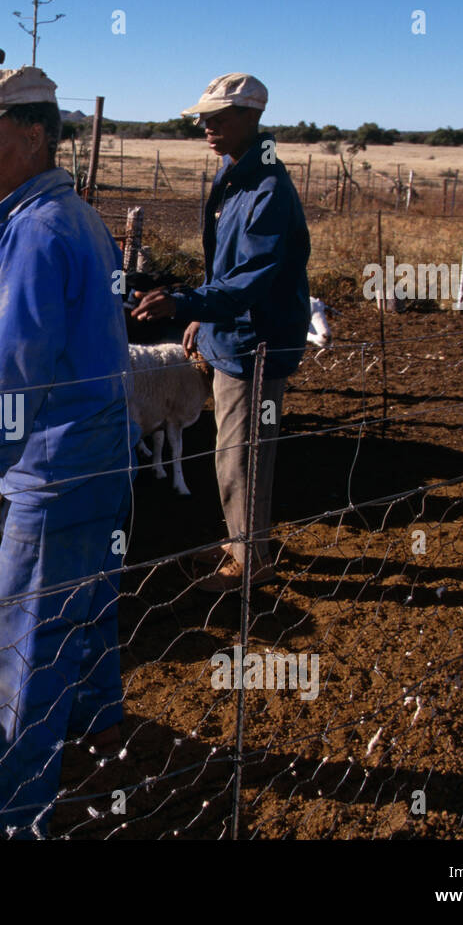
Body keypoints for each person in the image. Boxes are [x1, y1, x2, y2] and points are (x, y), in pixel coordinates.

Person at [0, 65, 138, 837]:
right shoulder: (78, 218)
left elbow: (18, 365)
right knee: (84, 616)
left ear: (33, 136)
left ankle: (12, 812)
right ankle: (101, 741)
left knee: (16, 646)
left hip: (51, 469)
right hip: (102, 455)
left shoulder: (35, 231)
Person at [131, 73, 310, 592]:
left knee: (243, 453)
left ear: (250, 118)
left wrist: (187, 301)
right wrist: (200, 315)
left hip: (255, 340)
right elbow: (225, 269)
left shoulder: (268, 187)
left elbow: (252, 277)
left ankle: (251, 561)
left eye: (217, 119)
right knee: (234, 449)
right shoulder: (237, 173)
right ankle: (240, 542)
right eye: (203, 120)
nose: (206, 128)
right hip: (233, 329)